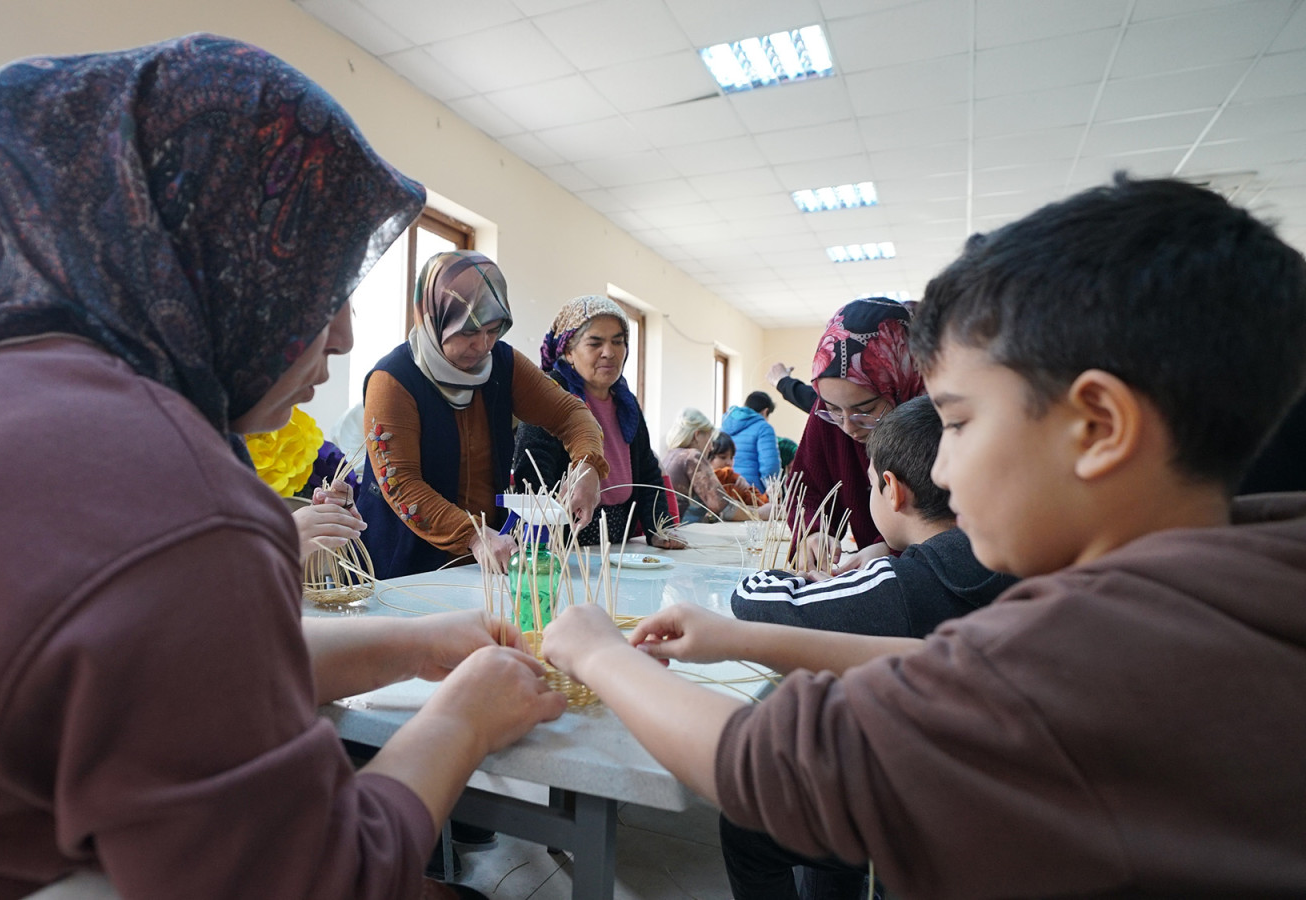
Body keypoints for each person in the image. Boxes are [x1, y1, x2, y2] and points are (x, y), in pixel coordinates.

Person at [0, 36, 568, 900]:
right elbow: (317, 880)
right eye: (321, 284)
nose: (341, 334)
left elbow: (140, 675)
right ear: (225, 267)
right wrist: (465, 716)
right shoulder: (170, 492)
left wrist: (414, 643)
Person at [541, 175, 1306, 898]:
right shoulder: (1234, 578)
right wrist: (739, 638)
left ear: (1099, 426)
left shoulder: (1088, 660)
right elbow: (957, 665)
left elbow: (772, 767)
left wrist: (598, 652)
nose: (937, 463)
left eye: (960, 422)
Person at [720, 395, 1018, 898]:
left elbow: (754, 600)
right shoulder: (1010, 550)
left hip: (925, 813)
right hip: (997, 800)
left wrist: (870, 569)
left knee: (748, 821)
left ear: (891, 490)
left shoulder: (906, 586)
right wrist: (893, 550)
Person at [357, 252, 604, 578]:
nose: (483, 345)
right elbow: (402, 485)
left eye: (492, 330)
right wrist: (473, 533)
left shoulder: (503, 364)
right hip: (404, 565)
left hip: (484, 559)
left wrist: (588, 465)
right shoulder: (392, 381)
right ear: (435, 320)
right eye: (468, 332)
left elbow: (571, 413)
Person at [732, 396, 1017, 636]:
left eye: (871, 484)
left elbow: (751, 596)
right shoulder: (1009, 558)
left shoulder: (900, 587)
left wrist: (823, 589)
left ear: (892, 490)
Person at [511, 295, 683, 549]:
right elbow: (533, 476)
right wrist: (547, 543)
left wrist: (659, 529)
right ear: (568, 351)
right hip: (565, 539)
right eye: (595, 343)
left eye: (618, 342)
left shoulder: (626, 402)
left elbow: (647, 471)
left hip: (618, 537)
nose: (609, 352)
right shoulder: (549, 397)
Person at [785, 297, 925, 573]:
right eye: (833, 409)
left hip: (923, 572)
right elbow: (806, 488)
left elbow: (951, 522)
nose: (847, 427)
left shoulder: (933, 421)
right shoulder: (827, 412)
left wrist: (891, 548)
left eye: (867, 409)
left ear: (901, 384)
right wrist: (814, 532)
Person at [660, 408, 768, 523]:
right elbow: (725, 508)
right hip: (681, 531)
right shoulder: (692, 457)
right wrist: (761, 513)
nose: (711, 447)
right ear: (697, 435)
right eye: (710, 440)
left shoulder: (670, 455)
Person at [719, 391, 781, 487]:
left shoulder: (725, 424)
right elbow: (769, 465)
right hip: (750, 489)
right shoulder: (763, 427)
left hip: (724, 484)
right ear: (765, 411)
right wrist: (771, 489)